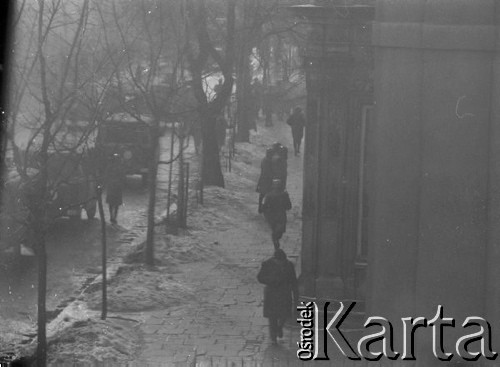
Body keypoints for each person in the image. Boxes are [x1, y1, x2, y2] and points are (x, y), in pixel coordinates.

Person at [257, 249, 298, 345]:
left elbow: (294, 281)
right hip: (272, 293)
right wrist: (271, 280)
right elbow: (260, 277)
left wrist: (296, 296)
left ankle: (279, 328)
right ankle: (273, 337)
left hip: (285, 293)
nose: (282, 263)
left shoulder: (289, 265)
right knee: (272, 317)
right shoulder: (267, 264)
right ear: (275, 259)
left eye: (283, 261)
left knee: (284, 315)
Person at [262, 179, 292, 250]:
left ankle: (275, 239)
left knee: (275, 230)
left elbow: (263, 206)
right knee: (279, 231)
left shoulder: (268, 195)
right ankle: (276, 240)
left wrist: (266, 214)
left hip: (272, 216)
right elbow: (289, 206)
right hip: (280, 215)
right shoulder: (284, 195)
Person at [106, 153, 125, 224]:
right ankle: (113, 217)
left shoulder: (110, 167)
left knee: (111, 203)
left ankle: (112, 216)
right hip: (116, 187)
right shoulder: (120, 167)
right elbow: (123, 178)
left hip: (112, 186)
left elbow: (106, 175)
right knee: (116, 203)